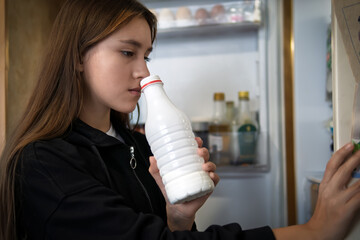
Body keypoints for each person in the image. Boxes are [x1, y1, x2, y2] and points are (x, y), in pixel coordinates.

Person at [0, 0, 359, 239]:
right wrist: (314, 231)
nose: (143, 71)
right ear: (78, 56)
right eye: (127, 52)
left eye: (147, 55)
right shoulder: (42, 164)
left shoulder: (138, 144)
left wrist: (179, 217)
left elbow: (169, 234)